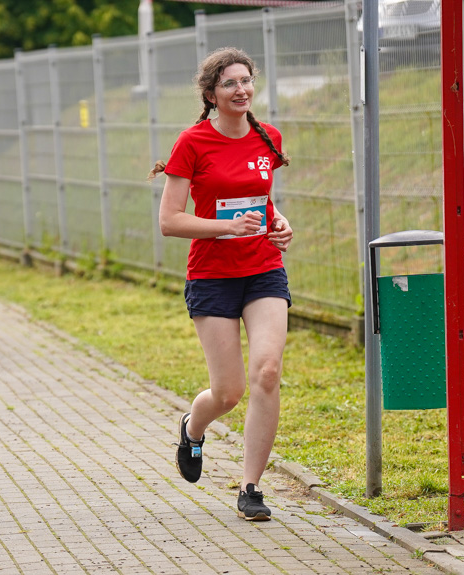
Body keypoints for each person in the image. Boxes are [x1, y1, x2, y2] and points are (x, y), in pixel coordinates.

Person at [149, 47, 294, 521]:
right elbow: (169, 221)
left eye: (247, 81)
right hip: (212, 275)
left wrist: (281, 224)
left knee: (268, 371)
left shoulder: (267, 137)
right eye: (230, 83)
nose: (241, 90)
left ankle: (251, 488)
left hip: (263, 268)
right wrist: (224, 228)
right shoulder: (192, 142)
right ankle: (193, 429)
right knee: (228, 392)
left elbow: (261, 203)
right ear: (211, 94)